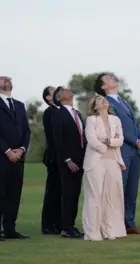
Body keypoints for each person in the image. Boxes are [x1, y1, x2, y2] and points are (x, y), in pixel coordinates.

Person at [94, 73, 140, 235]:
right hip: (121, 150)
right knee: (118, 188)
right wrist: (133, 140)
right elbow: (115, 125)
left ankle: (129, 222)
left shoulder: (124, 102)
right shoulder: (106, 103)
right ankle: (114, 223)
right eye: (108, 78)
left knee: (132, 188)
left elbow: (133, 122)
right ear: (103, 86)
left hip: (135, 151)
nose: (113, 78)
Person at [0, 76, 31, 241]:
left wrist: (22, 150)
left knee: (14, 194)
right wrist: (8, 151)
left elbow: (26, 130)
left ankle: (10, 229)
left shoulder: (19, 105)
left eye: (9, 79)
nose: (7, 80)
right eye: (4, 79)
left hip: (18, 158)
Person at [82, 94, 127, 241]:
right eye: (100, 100)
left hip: (113, 161)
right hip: (95, 162)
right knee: (95, 196)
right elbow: (92, 140)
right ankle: (92, 232)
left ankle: (110, 230)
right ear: (95, 106)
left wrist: (108, 141)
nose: (104, 101)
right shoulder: (91, 120)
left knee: (112, 196)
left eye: (104, 99)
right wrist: (105, 146)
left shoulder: (116, 120)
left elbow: (120, 140)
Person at [51, 86, 86, 238]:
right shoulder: (58, 114)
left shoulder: (77, 113)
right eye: (64, 90)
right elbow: (58, 139)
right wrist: (67, 159)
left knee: (76, 193)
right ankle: (66, 227)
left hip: (82, 158)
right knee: (68, 193)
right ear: (59, 98)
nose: (68, 90)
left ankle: (71, 225)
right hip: (68, 160)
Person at [40, 86, 62, 235]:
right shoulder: (49, 112)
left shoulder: (63, 111)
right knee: (52, 191)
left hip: (63, 155)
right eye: (53, 92)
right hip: (55, 156)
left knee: (62, 192)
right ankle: (48, 224)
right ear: (48, 98)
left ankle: (59, 223)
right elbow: (52, 135)